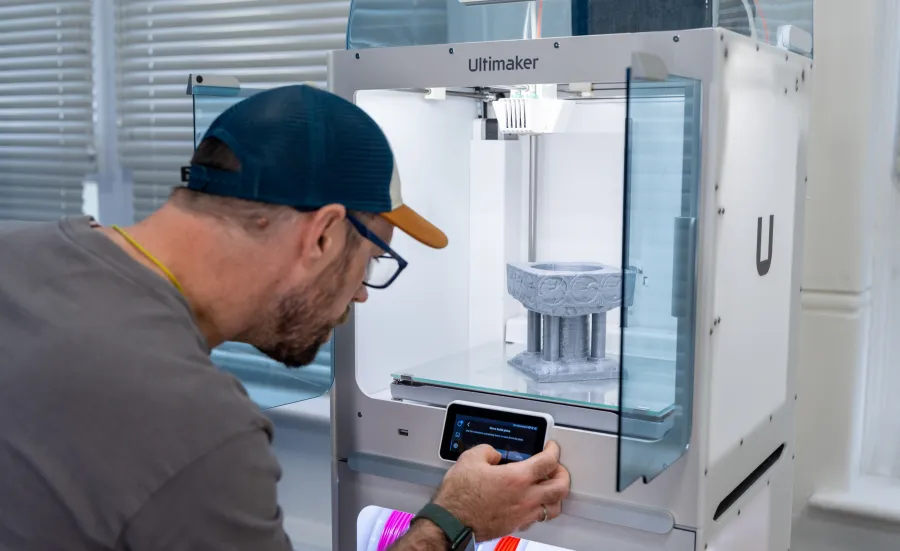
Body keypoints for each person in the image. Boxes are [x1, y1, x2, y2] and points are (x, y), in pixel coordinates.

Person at [0, 84, 570, 551]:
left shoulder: (20, 256)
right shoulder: (195, 426)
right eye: (371, 261)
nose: (361, 297)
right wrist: (453, 518)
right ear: (322, 234)